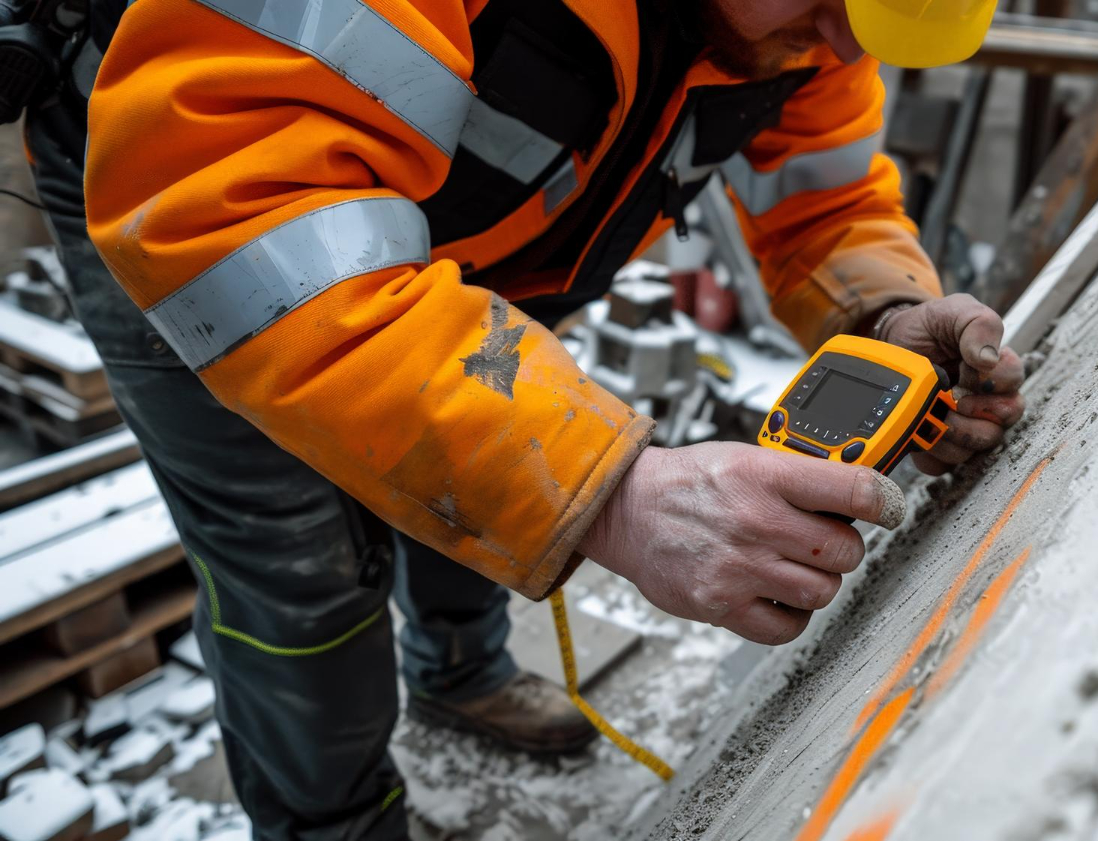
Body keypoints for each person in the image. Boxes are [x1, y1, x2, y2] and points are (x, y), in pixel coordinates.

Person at [25, 0, 1025, 836]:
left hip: (472, 230)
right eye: (829, 7)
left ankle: (461, 672)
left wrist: (885, 310)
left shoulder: (800, 27)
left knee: (502, 452)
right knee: (297, 569)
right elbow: (237, 203)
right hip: (194, 199)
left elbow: (826, 196)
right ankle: (332, 826)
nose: (841, 47)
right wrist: (612, 492)